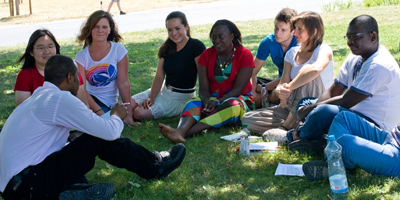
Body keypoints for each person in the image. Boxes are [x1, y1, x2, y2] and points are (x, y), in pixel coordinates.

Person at [0, 55, 186, 200]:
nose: (80, 82)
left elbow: (91, 125)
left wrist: (109, 117)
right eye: (78, 78)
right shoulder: (60, 99)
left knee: (79, 141)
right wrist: (117, 117)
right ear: (70, 77)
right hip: (30, 185)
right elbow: (108, 133)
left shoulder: (38, 99)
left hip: (15, 189)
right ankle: (155, 166)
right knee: (96, 139)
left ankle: (72, 191)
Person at [286, 15, 400, 154]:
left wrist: (311, 110)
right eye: (348, 37)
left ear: (373, 36)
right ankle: (318, 141)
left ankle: (294, 137)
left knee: (323, 111)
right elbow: (333, 92)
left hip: (377, 128)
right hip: (354, 115)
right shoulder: (355, 57)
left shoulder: (380, 64)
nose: (350, 42)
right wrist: (310, 109)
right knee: (306, 102)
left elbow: (346, 101)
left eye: (355, 37)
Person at [158, 19, 255, 143]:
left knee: (232, 106)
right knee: (194, 103)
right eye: (213, 37)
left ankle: (184, 133)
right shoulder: (206, 55)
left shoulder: (244, 55)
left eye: (221, 37)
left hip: (240, 99)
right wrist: (207, 100)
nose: (216, 41)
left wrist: (218, 102)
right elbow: (203, 87)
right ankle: (180, 130)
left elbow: (238, 89)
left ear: (231, 37)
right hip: (213, 99)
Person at [243, 11, 333, 138]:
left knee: (306, 72)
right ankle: (298, 127)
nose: (294, 32)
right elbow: (282, 83)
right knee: (247, 119)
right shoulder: (292, 53)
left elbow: (315, 69)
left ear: (314, 31)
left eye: (299, 29)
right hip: (290, 106)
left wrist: (289, 87)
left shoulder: (323, 49)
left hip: (315, 104)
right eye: (295, 28)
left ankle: (286, 127)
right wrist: (281, 91)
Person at [130, 11, 206, 120]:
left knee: (138, 113)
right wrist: (152, 97)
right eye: (170, 30)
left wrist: (204, 101)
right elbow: (159, 77)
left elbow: (203, 76)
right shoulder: (167, 47)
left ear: (186, 26)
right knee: (128, 105)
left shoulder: (196, 46)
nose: (174, 33)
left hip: (180, 99)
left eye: (177, 28)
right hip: (163, 89)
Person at [76, 10, 136, 125]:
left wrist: (129, 116)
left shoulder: (119, 50)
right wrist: (99, 111)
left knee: (113, 119)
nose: (100, 31)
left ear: (110, 30)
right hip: (90, 101)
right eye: (96, 27)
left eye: (104, 27)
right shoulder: (81, 56)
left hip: (112, 103)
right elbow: (81, 89)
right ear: (90, 29)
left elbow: (123, 83)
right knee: (100, 123)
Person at [303, 111, 400, 180]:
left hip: (396, 155)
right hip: (391, 137)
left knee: (344, 144)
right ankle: (335, 163)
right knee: (344, 118)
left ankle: (334, 164)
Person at [14, 29, 88, 107]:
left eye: (50, 46)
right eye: (41, 48)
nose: (47, 51)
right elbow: (22, 109)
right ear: (31, 52)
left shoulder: (71, 70)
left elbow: (84, 105)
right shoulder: (25, 75)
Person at [252, 8, 298, 107]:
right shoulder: (268, 42)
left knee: (278, 92)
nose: (277, 33)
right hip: (278, 81)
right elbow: (252, 71)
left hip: (293, 82)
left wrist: (265, 88)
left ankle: (268, 99)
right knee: (248, 82)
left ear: (292, 31)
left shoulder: (298, 43)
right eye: (276, 28)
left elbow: (293, 75)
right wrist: (253, 94)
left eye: (283, 30)